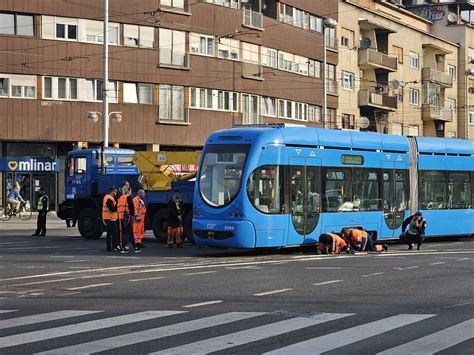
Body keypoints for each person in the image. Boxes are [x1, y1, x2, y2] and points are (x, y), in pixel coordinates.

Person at [117, 186, 139, 253]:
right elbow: (131, 207)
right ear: (129, 191)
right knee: (127, 233)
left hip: (121, 217)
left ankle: (135, 247)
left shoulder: (120, 197)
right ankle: (123, 248)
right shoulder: (128, 197)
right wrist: (133, 215)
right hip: (127, 217)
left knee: (129, 233)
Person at [103, 186, 119, 252]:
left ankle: (109, 247)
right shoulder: (108, 198)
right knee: (114, 232)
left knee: (110, 233)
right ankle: (113, 246)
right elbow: (112, 209)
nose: (116, 193)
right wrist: (118, 204)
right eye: (115, 192)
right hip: (109, 218)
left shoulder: (110, 198)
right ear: (112, 192)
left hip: (110, 217)